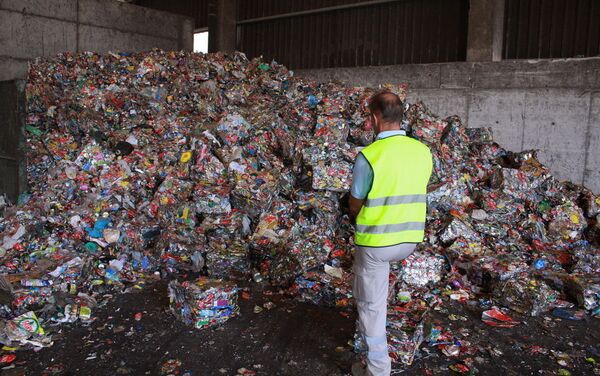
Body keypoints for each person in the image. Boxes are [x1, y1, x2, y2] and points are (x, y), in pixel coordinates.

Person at [349, 91, 433, 376]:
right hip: (410, 240)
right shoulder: (422, 151)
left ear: (374, 118)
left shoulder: (369, 156)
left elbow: (355, 202)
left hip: (376, 243)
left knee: (371, 306)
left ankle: (377, 370)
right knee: (377, 294)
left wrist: (353, 210)